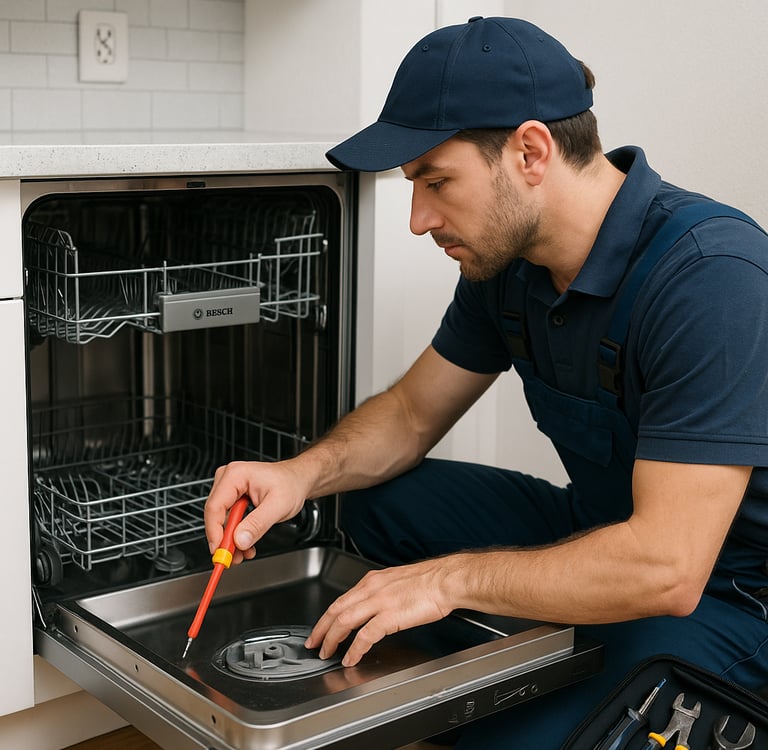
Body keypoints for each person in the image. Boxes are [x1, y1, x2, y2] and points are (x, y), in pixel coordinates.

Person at [205, 16, 768, 748]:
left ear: (530, 151)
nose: (418, 219)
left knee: (491, 736)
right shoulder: (507, 265)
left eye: (436, 182)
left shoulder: (710, 276)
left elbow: (667, 568)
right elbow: (411, 415)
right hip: (600, 531)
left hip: (730, 596)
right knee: (372, 499)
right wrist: (299, 474)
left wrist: (444, 582)